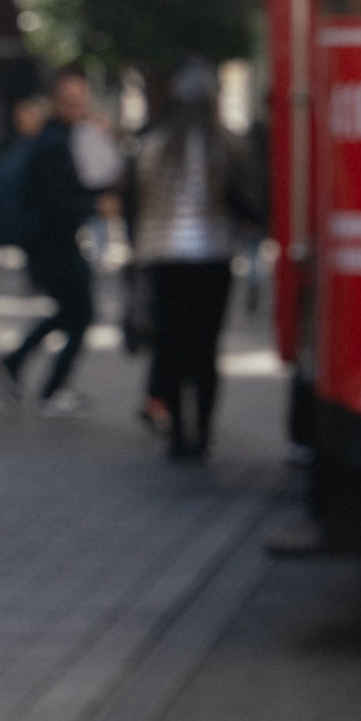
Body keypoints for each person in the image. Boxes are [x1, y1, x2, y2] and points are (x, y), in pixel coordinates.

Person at [126, 58, 263, 461]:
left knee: (169, 344)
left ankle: (174, 434)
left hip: (160, 255)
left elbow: (136, 206)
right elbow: (243, 201)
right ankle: (201, 431)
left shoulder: (150, 142)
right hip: (212, 255)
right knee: (205, 347)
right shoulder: (226, 143)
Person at [0, 70, 103, 415]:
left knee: (71, 312)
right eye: (72, 99)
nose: (79, 105)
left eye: (81, 98)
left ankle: (16, 365)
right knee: (80, 313)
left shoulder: (62, 137)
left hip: (49, 243)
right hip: (51, 244)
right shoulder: (55, 143)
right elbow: (58, 200)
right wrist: (95, 203)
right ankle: (49, 386)